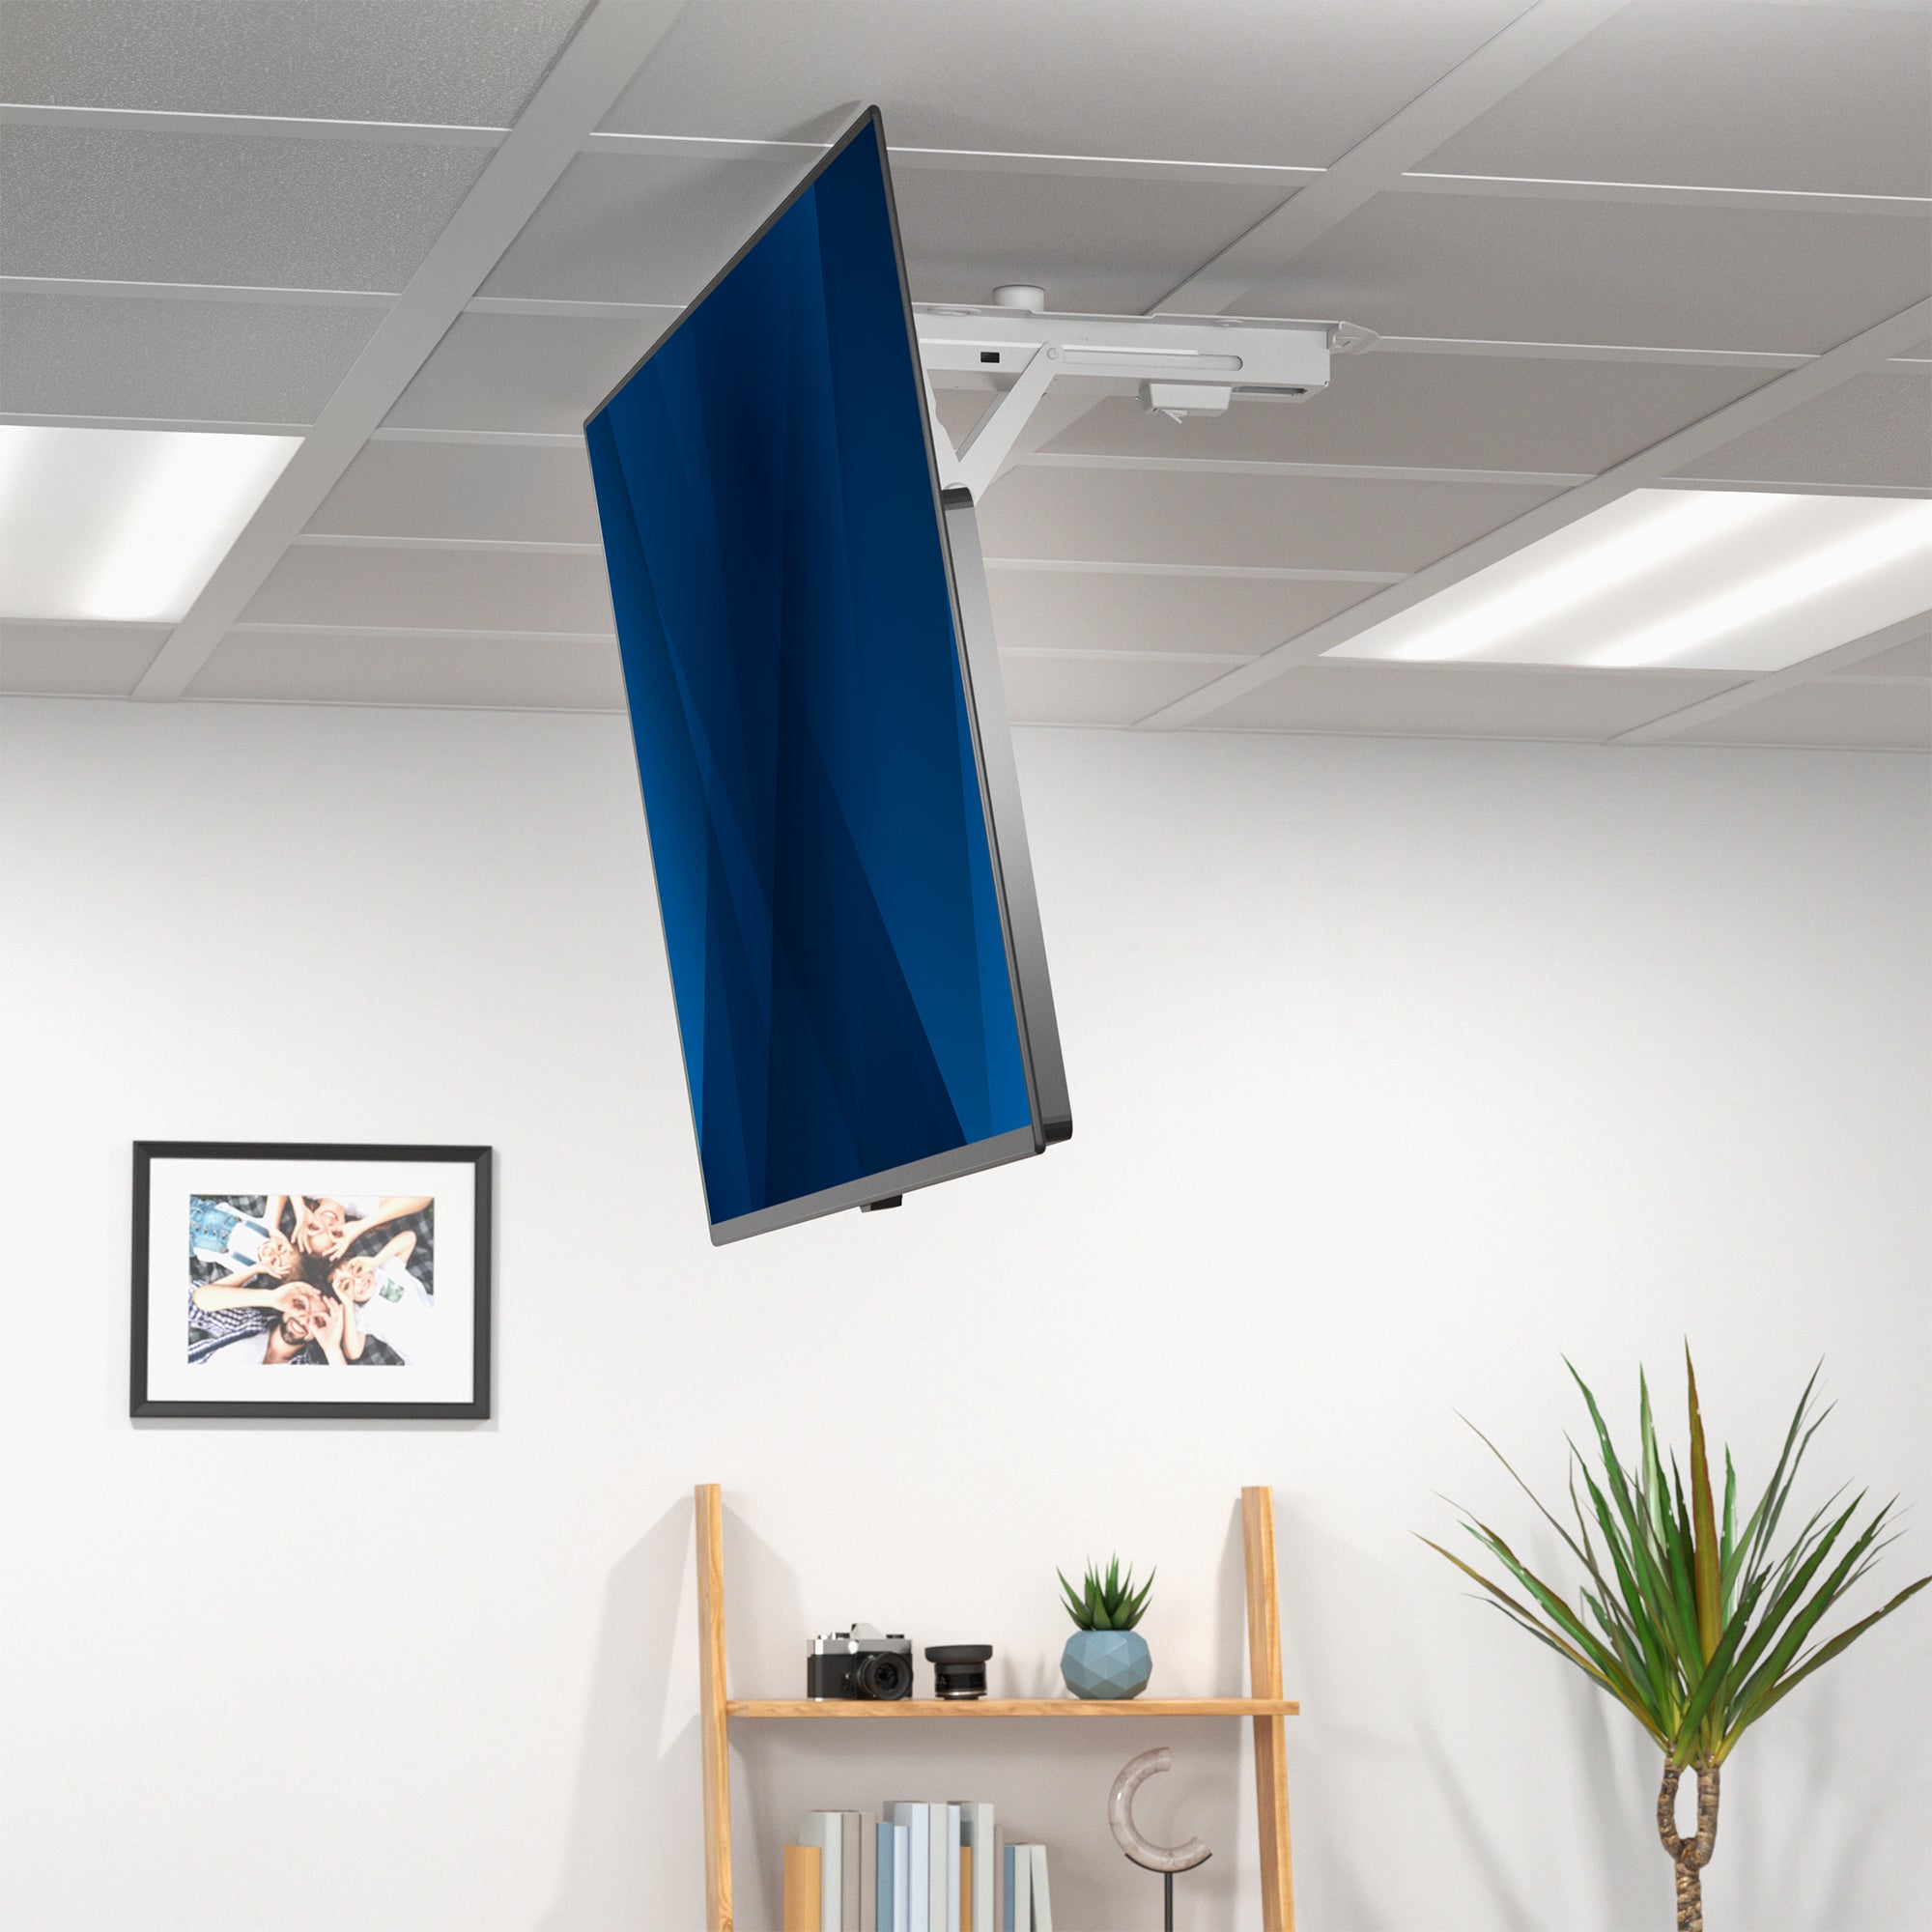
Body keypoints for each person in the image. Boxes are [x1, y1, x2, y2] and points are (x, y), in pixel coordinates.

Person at [329, 1229, 432, 1366]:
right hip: (424, 1360)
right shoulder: (358, 1313)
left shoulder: (385, 1271)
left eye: (357, 1271)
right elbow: (353, 1352)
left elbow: (409, 1237)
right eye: (347, 1285)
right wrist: (347, 1304)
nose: (358, 1281)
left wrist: (374, 1261)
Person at [188, 1279, 343, 1367]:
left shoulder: (307, 1369)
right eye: (301, 1306)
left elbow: (346, 1401)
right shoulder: (248, 1322)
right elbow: (193, 1303)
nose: (303, 1319)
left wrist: (331, 1347)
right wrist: (271, 1298)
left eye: (317, 1320)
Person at [293, 1195, 431, 1262]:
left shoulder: (308, 1192)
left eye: (315, 1227)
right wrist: (360, 1226)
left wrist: (298, 1206)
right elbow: (424, 1196)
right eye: (333, 1233)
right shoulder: (365, 1208)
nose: (328, 1222)